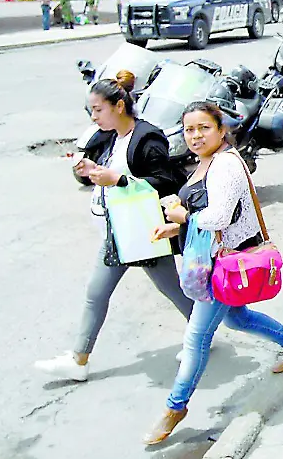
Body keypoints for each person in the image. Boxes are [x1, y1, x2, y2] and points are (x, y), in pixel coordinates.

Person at [144, 101, 283, 445]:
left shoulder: (225, 166)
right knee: (237, 319)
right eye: (189, 129)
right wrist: (174, 229)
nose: (195, 136)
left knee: (196, 338)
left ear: (221, 130)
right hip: (215, 261)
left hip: (226, 263)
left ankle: (174, 407)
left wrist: (183, 217)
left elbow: (220, 217)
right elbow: (210, 214)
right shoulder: (207, 160)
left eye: (203, 128)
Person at [34, 72, 192, 383]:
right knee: (100, 292)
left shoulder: (148, 137)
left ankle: (202, 333)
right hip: (116, 229)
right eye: (91, 111)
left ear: (119, 106)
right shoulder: (105, 136)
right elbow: (95, 169)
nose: (94, 117)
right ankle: (79, 359)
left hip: (141, 229)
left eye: (98, 109)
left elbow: (165, 180)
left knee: (168, 287)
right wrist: (86, 170)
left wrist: (119, 180)